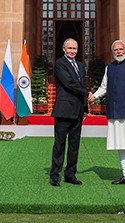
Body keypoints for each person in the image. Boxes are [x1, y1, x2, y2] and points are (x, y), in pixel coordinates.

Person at [88, 39, 125, 188]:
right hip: (114, 112)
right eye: (115, 50)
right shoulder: (110, 68)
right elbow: (104, 87)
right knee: (120, 144)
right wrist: (93, 96)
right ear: (112, 52)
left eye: (121, 49)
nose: (118, 52)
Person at [49, 37, 88, 186]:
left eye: (75, 48)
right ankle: (54, 174)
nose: (72, 51)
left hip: (77, 111)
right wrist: (86, 93)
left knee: (74, 144)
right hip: (63, 110)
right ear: (64, 49)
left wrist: (85, 109)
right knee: (59, 144)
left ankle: (70, 174)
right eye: (69, 48)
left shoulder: (80, 65)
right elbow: (69, 83)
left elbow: (82, 84)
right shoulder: (60, 64)